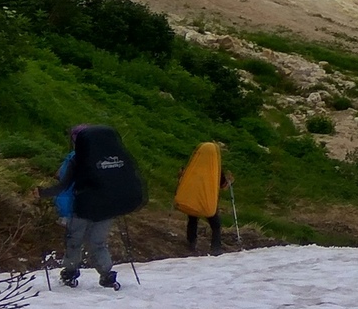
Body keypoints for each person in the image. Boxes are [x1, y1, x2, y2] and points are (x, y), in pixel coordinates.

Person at [37, 124, 146, 290]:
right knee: (98, 242)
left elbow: (64, 184)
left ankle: (70, 272)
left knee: (74, 240)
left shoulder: (79, 159)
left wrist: (42, 193)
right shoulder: (117, 158)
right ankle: (107, 274)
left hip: (83, 207)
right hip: (108, 208)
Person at [173, 141, 232, 254]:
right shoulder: (215, 169)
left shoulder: (193, 166)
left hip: (193, 200)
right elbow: (223, 185)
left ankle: (191, 243)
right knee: (216, 225)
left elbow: (184, 178)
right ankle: (215, 249)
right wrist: (229, 181)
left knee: (193, 219)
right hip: (208, 202)